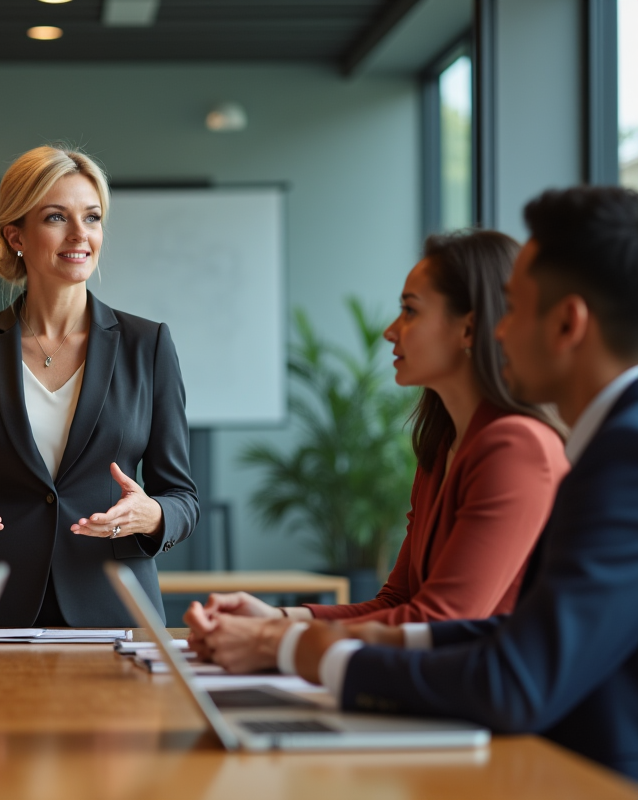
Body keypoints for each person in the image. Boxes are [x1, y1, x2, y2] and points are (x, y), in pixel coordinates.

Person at [185, 186, 638, 780]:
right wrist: (286, 629)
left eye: (516, 310)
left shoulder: (602, 456)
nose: (502, 332)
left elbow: (501, 663)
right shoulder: (490, 445)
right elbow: (475, 626)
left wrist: (290, 646)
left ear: (568, 323)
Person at [189, 231, 567, 629]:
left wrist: (275, 643)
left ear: (468, 330)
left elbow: (441, 622)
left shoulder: (517, 448)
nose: (391, 330)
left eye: (410, 311)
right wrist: (277, 618)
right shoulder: (441, 448)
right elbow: (398, 603)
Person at [0, 145, 198, 627]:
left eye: (91, 217)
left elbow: (181, 497)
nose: (79, 234)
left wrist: (152, 515)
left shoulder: (147, 344)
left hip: (112, 605)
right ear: (15, 235)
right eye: (55, 217)